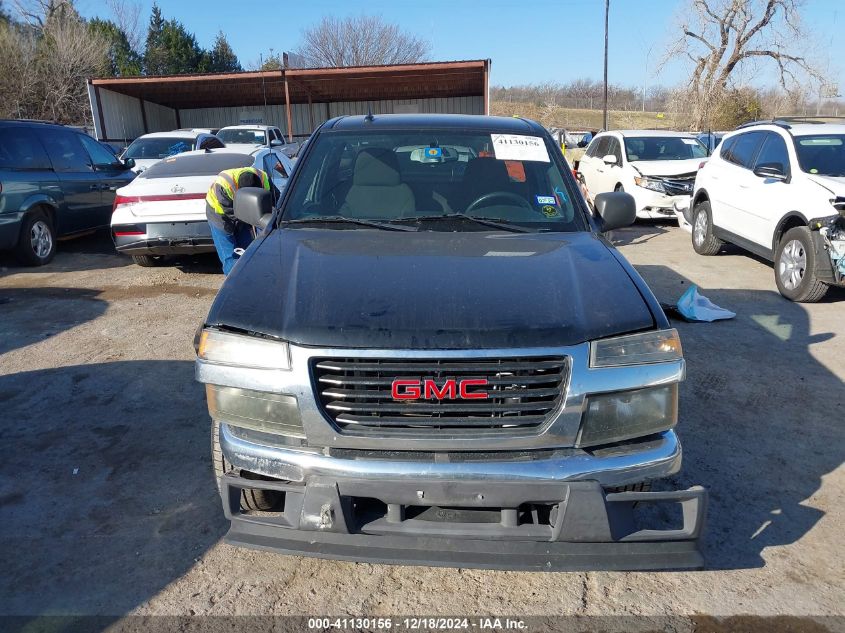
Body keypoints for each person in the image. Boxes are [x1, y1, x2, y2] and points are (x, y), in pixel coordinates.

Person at [205, 166, 271, 275]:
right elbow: (231, 212)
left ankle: (251, 279)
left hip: (242, 210)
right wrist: (251, 222)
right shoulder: (223, 184)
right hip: (219, 213)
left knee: (247, 250)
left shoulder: (264, 179)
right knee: (229, 254)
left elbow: (275, 203)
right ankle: (234, 284)